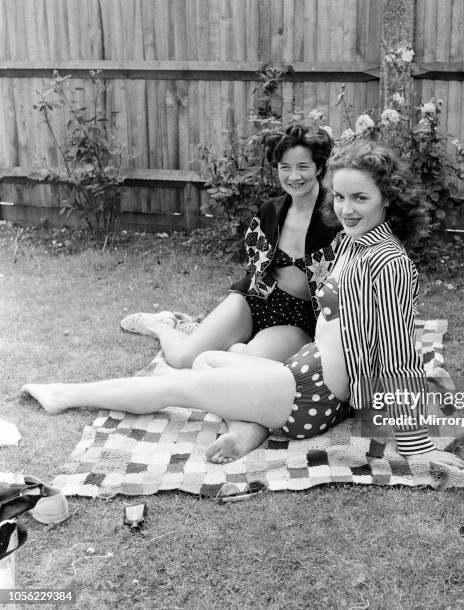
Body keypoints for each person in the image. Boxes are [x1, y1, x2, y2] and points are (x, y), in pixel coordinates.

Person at [22, 141, 464, 471]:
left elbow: (394, 352)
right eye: (340, 197)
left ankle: (66, 396)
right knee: (211, 360)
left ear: (388, 199)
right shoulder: (356, 243)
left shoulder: (387, 261)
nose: (346, 209)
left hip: (312, 394)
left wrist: (416, 446)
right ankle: (251, 424)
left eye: (361, 198)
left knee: (180, 384)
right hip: (303, 374)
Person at [120, 122, 338, 461]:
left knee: (239, 370)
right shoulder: (270, 211)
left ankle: (244, 430)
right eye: (285, 168)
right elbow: (256, 269)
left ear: (320, 167)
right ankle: (164, 326)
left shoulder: (335, 218)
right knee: (181, 359)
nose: (293, 176)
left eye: (303, 167)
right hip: (255, 300)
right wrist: (245, 306)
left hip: (294, 318)